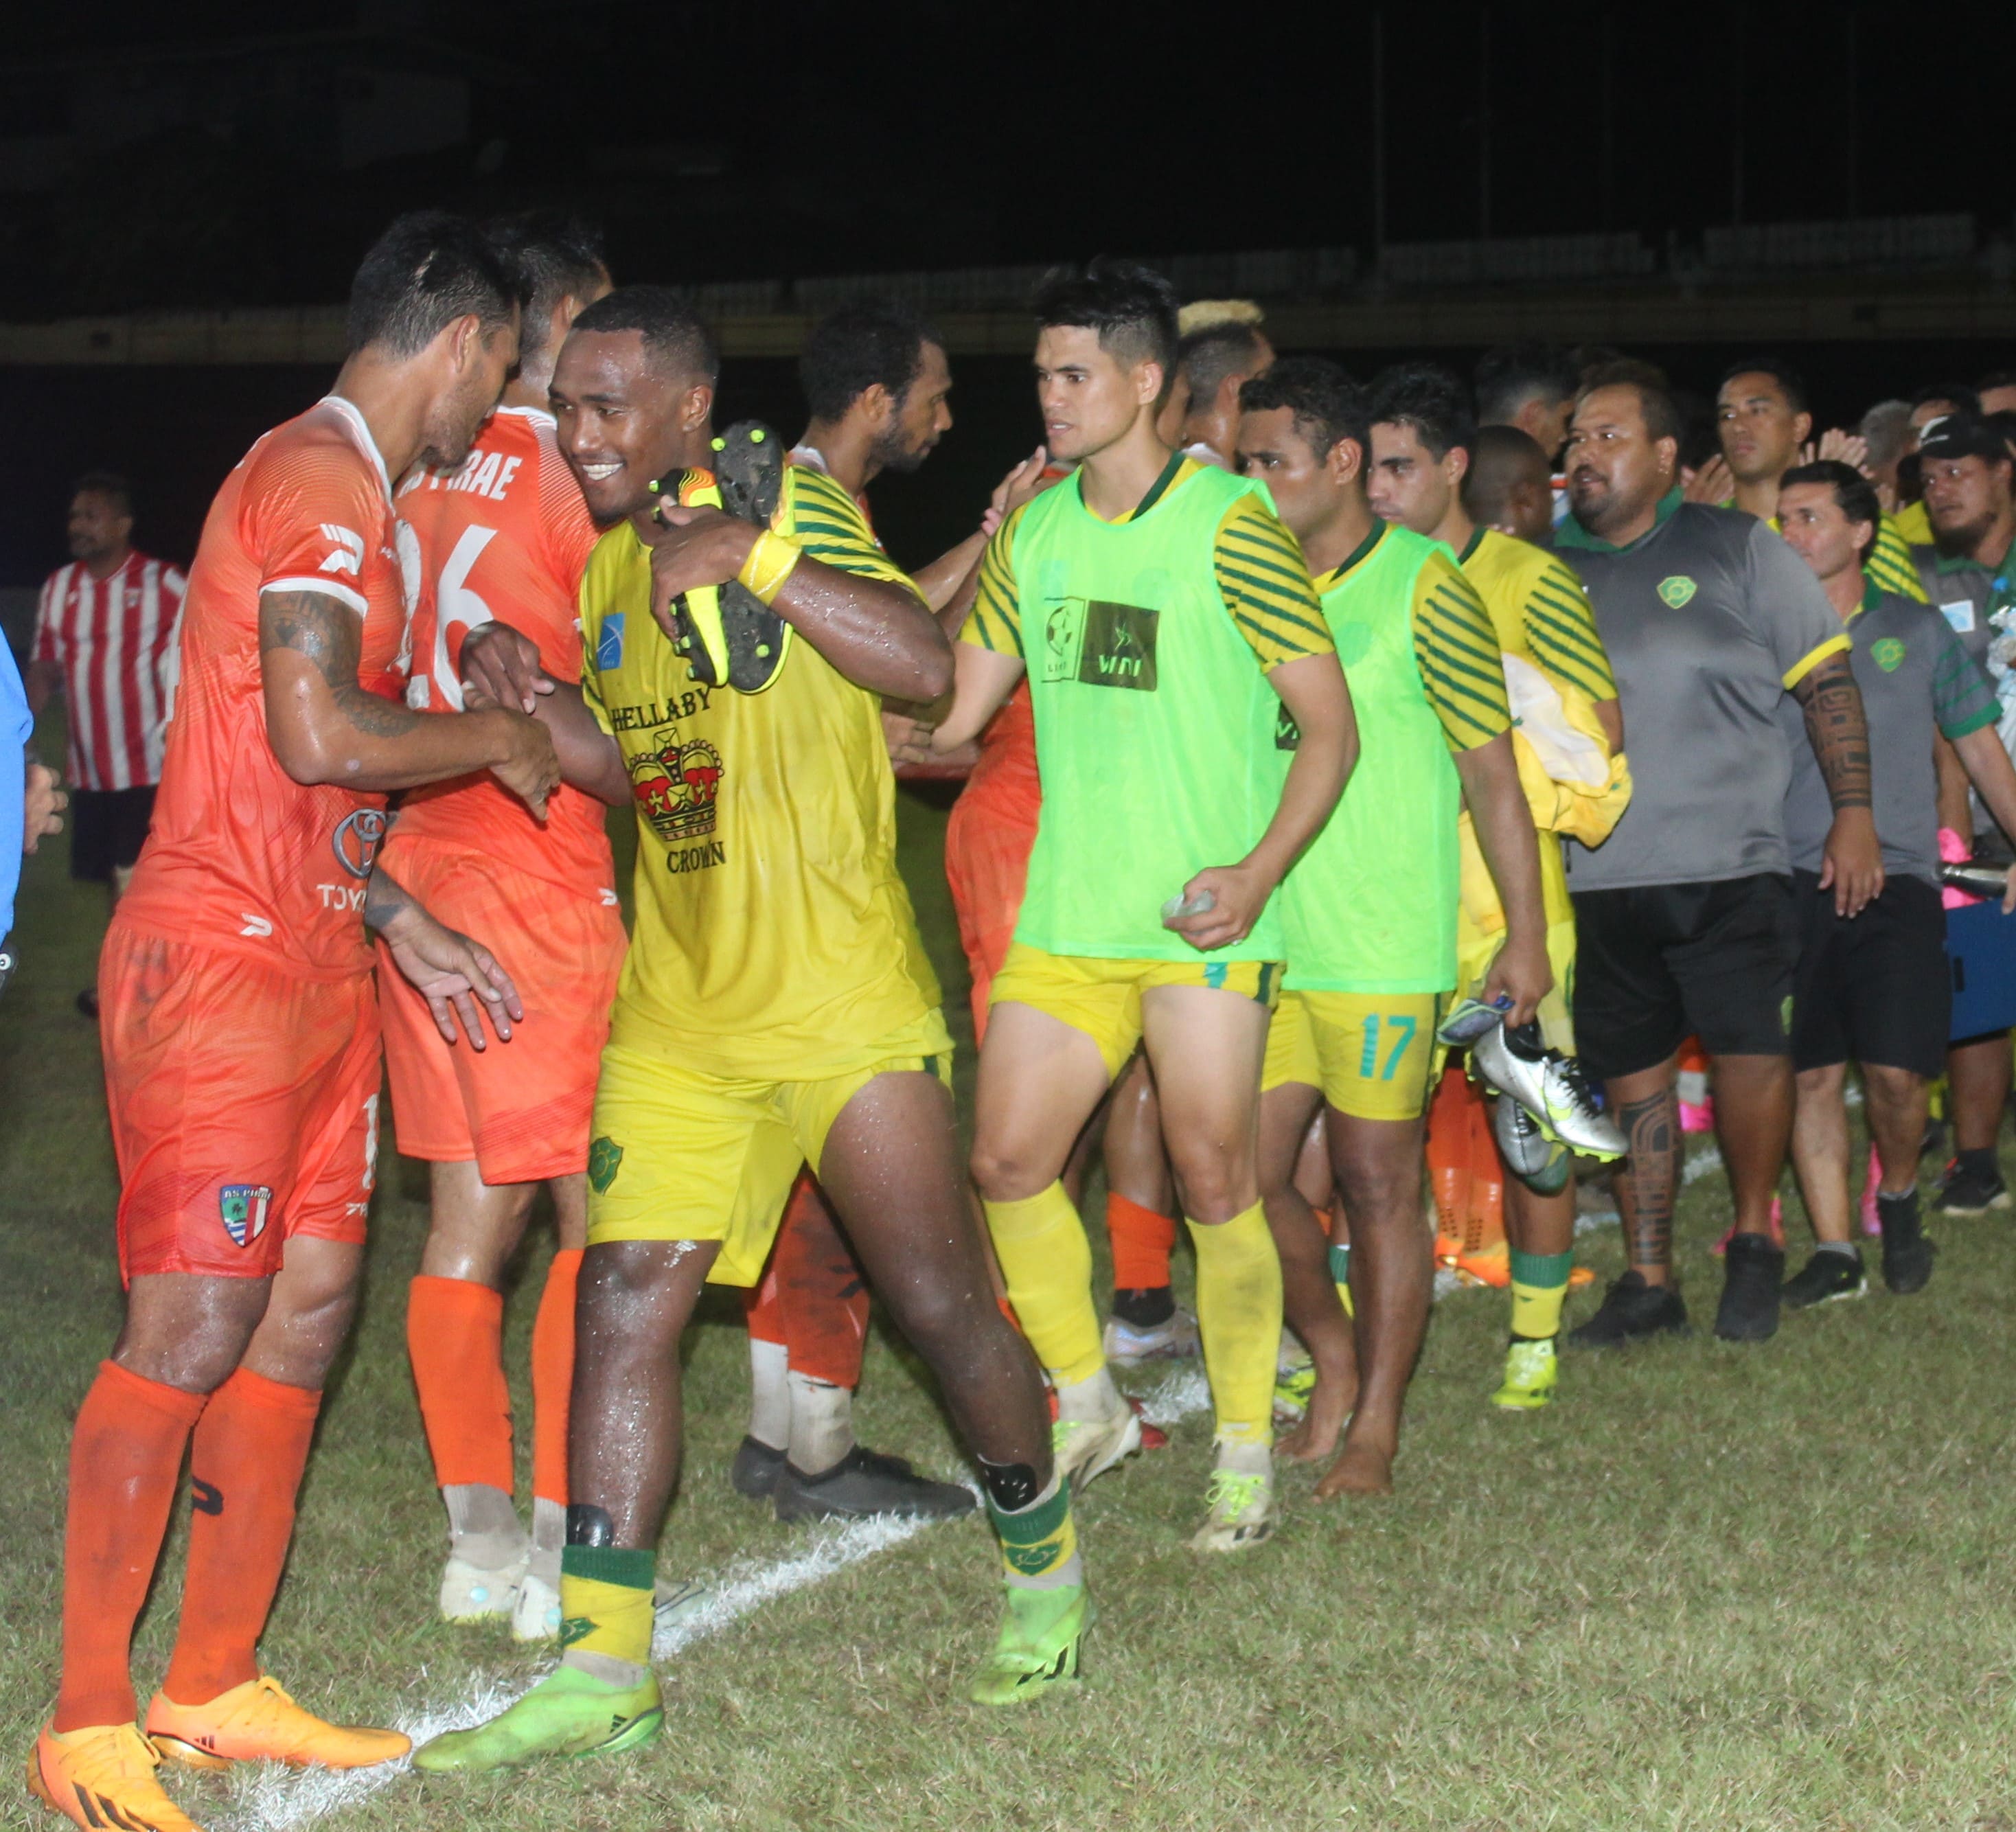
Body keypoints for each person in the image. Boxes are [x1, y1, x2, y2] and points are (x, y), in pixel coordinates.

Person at [417, 285, 1087, 1777]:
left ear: (681, 415)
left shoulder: (783, 506)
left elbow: (922, 668)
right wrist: (531, 713)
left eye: (603, 407)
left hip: (842, 1004)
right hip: (680, 1015)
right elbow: (639, 766)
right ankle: (606, 1664)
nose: (574, 432)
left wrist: (759, 553)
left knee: (939, 1305)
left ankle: (1041, 1560)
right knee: (624, 1301)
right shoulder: (599, 573)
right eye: (563, 405)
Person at [27, 211, 560, 1832]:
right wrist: (495, 733)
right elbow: (325, 731)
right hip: (222, 971)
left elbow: (280, 762)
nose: (506, 397)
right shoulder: (318, 482)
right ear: (461, 337)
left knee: (306, 1310)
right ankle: (84, 1721)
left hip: (322, 954)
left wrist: (401, 918)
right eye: (511, 361)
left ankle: (212, 1680)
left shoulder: (374, 509)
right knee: (192, 1324)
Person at [926, 261, 1354, 1553]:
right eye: (1042, 375)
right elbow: (950, 710)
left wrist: (1258, 872)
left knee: (1219, 1179)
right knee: (1003, 1161)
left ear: (1147, 382)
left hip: (1202, 922)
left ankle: (1239, 1449)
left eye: (1073, 375)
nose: (1049, 399)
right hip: (1071, 915)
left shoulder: (1230, 520)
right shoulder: (1038, 531)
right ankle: (1088, 1395)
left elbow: (1329, 730)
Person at [376, 213, 622, 1643]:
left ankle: (475, 1546)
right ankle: (551, 1547)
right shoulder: (569, 482)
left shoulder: (400, 474)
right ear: (551, 328)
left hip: (418, 853)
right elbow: (606, 701)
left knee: (468, 1226)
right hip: (533, 862)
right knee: (597, 1218)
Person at [713, 295, 994, 1525]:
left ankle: (781, 1432)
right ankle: (818, 1446)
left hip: (738, 891)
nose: (945, 414)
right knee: (855, 1184)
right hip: (811, 896)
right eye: (935, 394)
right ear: (878, 400)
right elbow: (903, 636)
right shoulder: (811, 500)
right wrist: (999, 540)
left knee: (785, 1182)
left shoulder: (775, 488)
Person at [1554, 363, 1881, 1349]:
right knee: (1635, 1075)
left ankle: (1751, 1242)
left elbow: (1826, 683)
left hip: (1733, 863)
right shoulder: (1550, 571)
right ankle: (1648, 1278)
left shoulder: (1740, 547)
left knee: (1749, 1057)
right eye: (1575, 440)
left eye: (1607, 438)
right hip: (1601, 871)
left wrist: (1853, 813)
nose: (1583, 457)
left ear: (1665, 457)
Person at [1364, 360, 1627, 1412]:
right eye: (1367, 467)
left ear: (1452, 467)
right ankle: (1339, 1341)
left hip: (1509, 909)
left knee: (1535, 1131)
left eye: (1399, 466)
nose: (1377, 487)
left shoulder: (1529, 580)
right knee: (1368, 1138)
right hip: (1383, 906)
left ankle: (1534, 1336)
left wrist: (1500, 710)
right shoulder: (1352, 575)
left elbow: (1601, 738)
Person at [1774, 461, 2016, 1302]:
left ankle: (1899, 1193)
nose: (1789, 534)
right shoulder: (1759, 635)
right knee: (1807, 1073)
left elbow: (1980, 748)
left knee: (1895, 1077)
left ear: (1860, 532)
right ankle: (1835, 1252)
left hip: (1900, 880)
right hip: (1790, 881)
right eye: (1781, 519)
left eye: (1806, 517)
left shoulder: (1914, 630)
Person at [1907, 412, 2016, 1214]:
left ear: (2003, 469)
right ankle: (1974, 1159)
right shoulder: (1918, 575)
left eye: (1957, 472)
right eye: (1928, 477)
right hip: (1974, 821)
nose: (1939, 489)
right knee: (1974, 990)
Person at [25, 473, 185, 1017]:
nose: (79, 526)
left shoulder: (164, 584)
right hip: (90, 768)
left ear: (122, 523)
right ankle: (137, 978)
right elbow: (45, 670)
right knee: (111, 883)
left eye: (91, 516)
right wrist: (17, 741)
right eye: (75, 516)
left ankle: (135, 987)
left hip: (150, 763)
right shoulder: (59, 588)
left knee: (131, 875)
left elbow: (205, 647)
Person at [1687, 359, 1924, 602]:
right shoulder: (1704, 533)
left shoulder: (1857, 525)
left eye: (1757, 410)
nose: (1738, 425)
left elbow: (1916, 629)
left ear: (1800, 426)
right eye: (1727, 415)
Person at [1474, 343, 1579, 460]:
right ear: (1532, 418)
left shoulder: (1454, 465)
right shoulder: (1528, 476)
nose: (1565, 437)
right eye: (1566, 420)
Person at [1463, 424, 1558, 546]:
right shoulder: (1571, 562)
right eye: (1549, 490)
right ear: (1526, 497)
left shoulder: (1438, 558)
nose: (1553, 500)